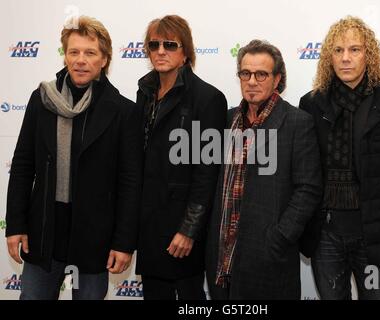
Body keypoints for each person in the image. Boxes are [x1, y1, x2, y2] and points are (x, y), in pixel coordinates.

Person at [5, 16, 142, 300]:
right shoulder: (42, 99)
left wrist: (124, 242)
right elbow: (22, 166)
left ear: (104, 59)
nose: (81, 60)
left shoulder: (122, 111)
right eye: (74, 51)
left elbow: (130, 182)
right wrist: (15, 225)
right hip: (44, 230)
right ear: (65, 55)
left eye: (90, 53)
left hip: (95, 237)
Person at [298, 16, 380, 300]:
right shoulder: (311, 105)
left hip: (375, 237)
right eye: (338, 50)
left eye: (355, 50)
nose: (346, 58)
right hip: (325, 237)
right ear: (328, 58)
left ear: (368, 55)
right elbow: (302, 173)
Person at [205, 39, 322, 299]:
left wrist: (279, 238)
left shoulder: (297, 122)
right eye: (245, 73)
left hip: (267, 257)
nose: (252, 81)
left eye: (261, 74)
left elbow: (309, 189)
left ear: (277, 78)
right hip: (221, 256)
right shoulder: (225, 120)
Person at [135, 15, 227, 300]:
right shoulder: (145, 93)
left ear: (185, 51)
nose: (161, 51)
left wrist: (189, 229)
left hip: (181, 229)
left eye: (170, 44)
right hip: (148, 223)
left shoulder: (208, 98)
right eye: (154, 44)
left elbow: (207, 172)